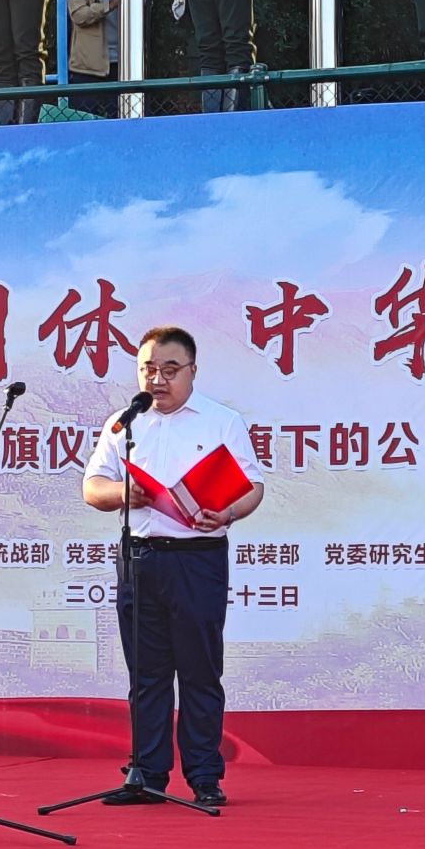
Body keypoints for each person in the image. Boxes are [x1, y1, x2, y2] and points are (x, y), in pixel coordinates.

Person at [83, 327, 266, 807]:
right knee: (147, 675)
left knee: (199, 671)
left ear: (192, 371)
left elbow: (253, 486)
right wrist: (123, 493)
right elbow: (93, 487)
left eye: (169, 370)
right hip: (140, 558)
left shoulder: (221, 421)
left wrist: (227, 513)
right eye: (148, 369)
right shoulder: (124, 424)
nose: (157, 380)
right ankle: (147, 775)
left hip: (198, 558)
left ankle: (204, 776)